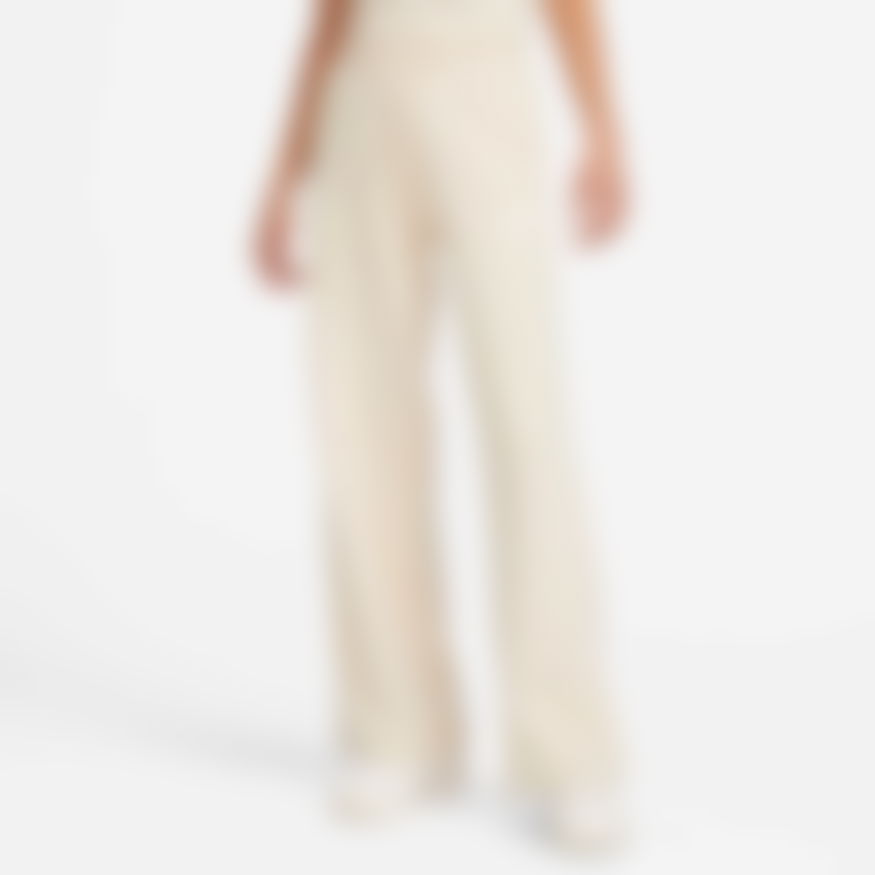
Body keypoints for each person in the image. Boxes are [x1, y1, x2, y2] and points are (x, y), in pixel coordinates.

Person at [253, 0, 629, 853]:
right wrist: (283, 173)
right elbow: (331, 15)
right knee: (362, 418)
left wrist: (603, 132)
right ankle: (399, 730)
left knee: (525, 418)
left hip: (484, 86)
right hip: (365, 101)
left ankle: (567, 749)